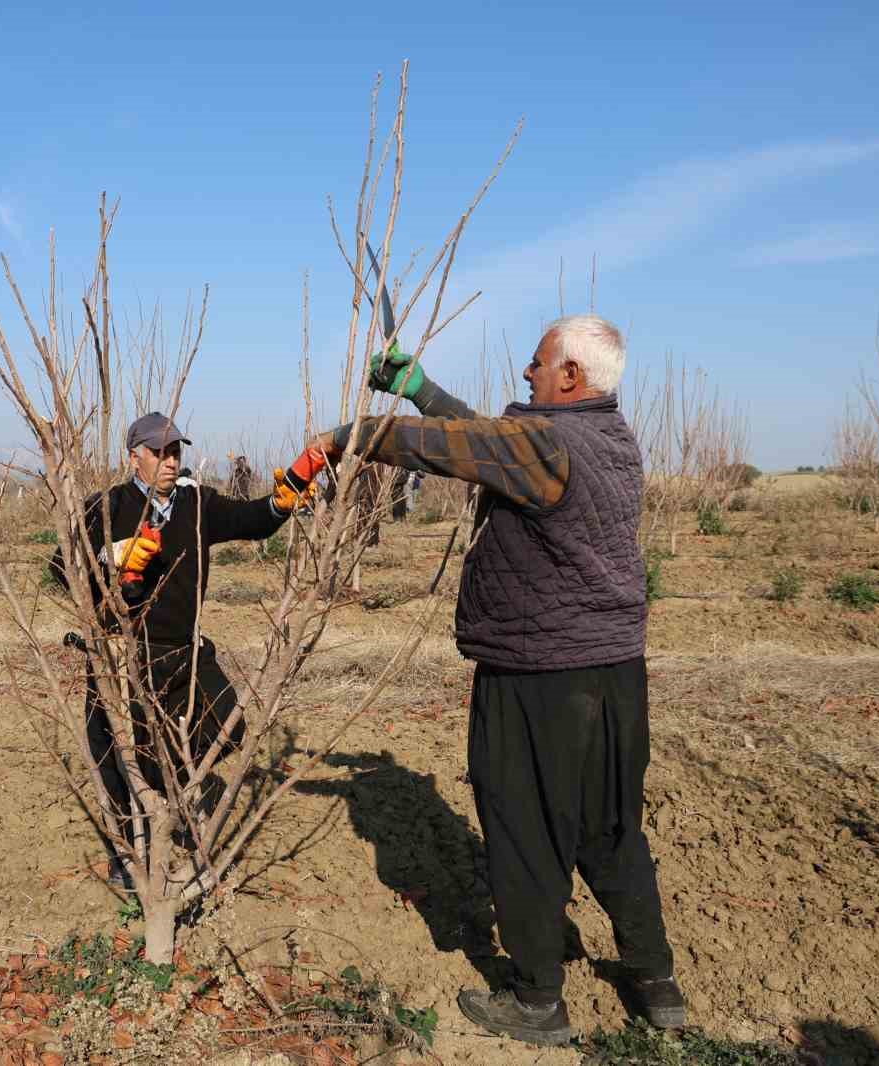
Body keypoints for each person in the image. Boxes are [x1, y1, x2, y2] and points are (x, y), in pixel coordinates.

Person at [287, 316, 681, 1046]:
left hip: (539, 676)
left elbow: (466, 451)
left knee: (525, 828)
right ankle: (655, 980)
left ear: (570, 377)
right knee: (612, 826)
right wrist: (422, 389)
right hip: (615, 672)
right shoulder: (608, 440)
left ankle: (536, 1000)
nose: (525, 375)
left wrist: (356, 433)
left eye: (536, 364)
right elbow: (491, 448)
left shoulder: (547, 443)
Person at [51, 412, 313, 888]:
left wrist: (285, 499)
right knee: (111, 749)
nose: (171, 461)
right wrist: (113, 555)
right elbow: (59, 568)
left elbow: (250, 520)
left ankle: (166, 797)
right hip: (120, 653)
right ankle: (127, 849)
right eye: (160, 453)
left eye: (176, 452)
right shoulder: (108, 507)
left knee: (226, 725)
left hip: (182, 649)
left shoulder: (197, 504)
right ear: (135, 457)